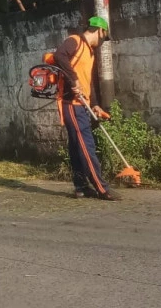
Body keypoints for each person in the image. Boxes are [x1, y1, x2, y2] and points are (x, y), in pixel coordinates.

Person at [54, 16, 121, 201]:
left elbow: (87, 82)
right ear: (99, 31)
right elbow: (59, 55)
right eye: (103, 37)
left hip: (82, 105)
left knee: (76, 146)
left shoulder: (89, 52)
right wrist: (73, 80)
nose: (102, 42)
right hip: (71, 104)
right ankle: (102, 188)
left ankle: (81, 187)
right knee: (86, 146)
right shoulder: (75, 41)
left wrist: (95, 104)